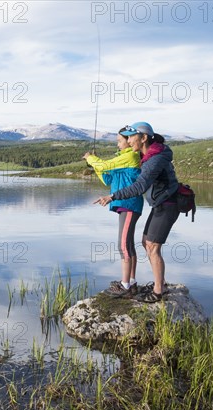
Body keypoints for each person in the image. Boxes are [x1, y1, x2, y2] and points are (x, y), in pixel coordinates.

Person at [94, 121, 180, 303]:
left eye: (132, 136)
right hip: (161, 204)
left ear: (144, 138)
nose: (129, 140)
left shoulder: (155, 158)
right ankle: (159, 284)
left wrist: (112, 196)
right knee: (145, 242)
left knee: (152, 246)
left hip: (168, 204)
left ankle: (158, 291)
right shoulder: (148, 156)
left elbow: (140, 186)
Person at [83, 128, 143, 298]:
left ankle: (125, 286)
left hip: (129, 203)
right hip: (125, 205)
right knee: (128, 244)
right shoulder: (121, 158)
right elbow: (107, 178)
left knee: (123, 245)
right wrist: (95, 166)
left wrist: (91, 158)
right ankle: (131, 282)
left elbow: (104, 165)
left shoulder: (130, 155)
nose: (118, 143)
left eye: (119, 140)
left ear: (129, 140)